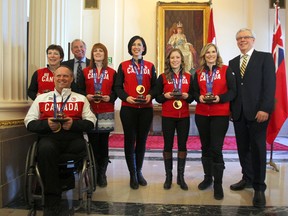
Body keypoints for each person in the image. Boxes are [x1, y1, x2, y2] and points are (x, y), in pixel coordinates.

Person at [24, 65, 96, 215]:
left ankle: (64, 178)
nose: (62, 78)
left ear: (71, 79)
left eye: (65, 76)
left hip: (73, 139)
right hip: (50, 139)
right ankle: (52, 199)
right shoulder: (41, 98)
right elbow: (29, 122)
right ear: (53, 78)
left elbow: (91, 122)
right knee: (45, 149)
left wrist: (74, 124)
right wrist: (47, 124)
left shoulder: (81, 98)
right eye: (58, 76)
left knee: (78, 147)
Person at [229, 28, 276, 208]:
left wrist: (265, 108)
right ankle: (247, 178)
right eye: (239, 38)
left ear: (253, 40)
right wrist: (232, 110)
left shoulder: (264, 58)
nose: (242, 40)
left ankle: (259, 187)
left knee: (257, 150)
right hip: (239, 113)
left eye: (246, 37)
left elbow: (270, 85)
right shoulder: (233, 63)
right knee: (243, 149)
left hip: (258, 114)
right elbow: (233, 89)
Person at [193, 43, 236, 199]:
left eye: (213, 52)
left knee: (216, 148)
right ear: (203, 55)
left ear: (217, 54)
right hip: (202, 114)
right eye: (207, 52)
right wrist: (199, 97)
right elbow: (194, 92)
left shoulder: (226, 70)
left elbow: (233, 91)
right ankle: (207, 178)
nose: (211, 55)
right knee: (205, 147)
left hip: (220, 114)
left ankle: (218, 184)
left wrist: (220, 98)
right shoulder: (198, 73)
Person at [114, 35, 157, 189]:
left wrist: (150, 96)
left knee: (142, 141)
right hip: (128, 109)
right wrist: (127, 98)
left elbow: (155, 87)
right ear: (130, 48)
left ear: (144, 48)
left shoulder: (150, 66)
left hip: (145, 109)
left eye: (139, 44)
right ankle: (132, 173)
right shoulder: (123, 65)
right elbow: (117, 87)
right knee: (129, 140)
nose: (136, 47)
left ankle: (139, 171)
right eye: (134, 44)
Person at [155, 48, 194, 191]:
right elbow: (157, 97)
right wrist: (164, 96)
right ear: (169, 60)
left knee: (182, 146)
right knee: (167, 146)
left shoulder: (189, 77)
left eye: (177, 57)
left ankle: (181, 177)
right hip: (168, 116)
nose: (175, 60)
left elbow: (193, 96)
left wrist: (186, 96)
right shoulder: (163, 77)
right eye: (172, 58)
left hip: (183, 116)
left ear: (181, 60)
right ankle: (168, 177)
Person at [79, 43, 117, 187]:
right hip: (90, 111)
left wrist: (111, 97)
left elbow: (116, 90)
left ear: (105, 54)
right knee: (93, 142)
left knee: (104, 143)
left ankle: (102, 174)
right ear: (92, 54)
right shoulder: (85, 71)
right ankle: (93, 172)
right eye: (95, 51)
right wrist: (86, 96)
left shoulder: (112, 72)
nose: (98, 53)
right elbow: (79, 89)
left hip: (106, 109)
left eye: (101, 50)